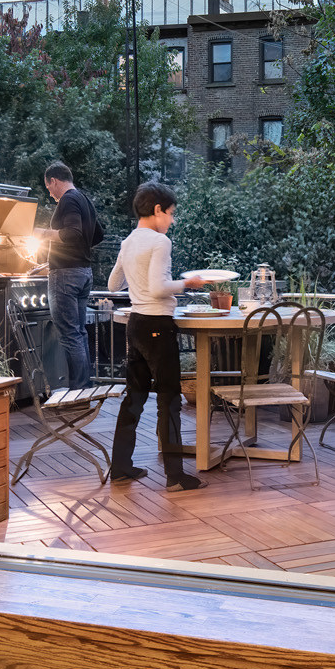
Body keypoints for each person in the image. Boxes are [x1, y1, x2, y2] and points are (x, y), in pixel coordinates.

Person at [106, 181, 209, 490]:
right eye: (171, 214)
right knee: (169, 400)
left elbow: (113, 285)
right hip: (157, 325)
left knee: (134, 398)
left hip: (135, 324)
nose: (172, 220)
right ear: (157, 210)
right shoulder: (160, 243)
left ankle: (121, 466)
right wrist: (187, 284)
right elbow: (157, 288)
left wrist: (135, 281)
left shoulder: (128, 242)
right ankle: (175, 476)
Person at [42, 161, 104, 389]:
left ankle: (78, 391)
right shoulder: (84, 199)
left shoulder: (67, 200)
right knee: (79, 333)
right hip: (83, 273)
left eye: (49, 188)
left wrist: (42, 233)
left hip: (65, 275)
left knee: (70, 335)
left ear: (54, 181)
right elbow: (97, 236)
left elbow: (72, 233)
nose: (50, 194)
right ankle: (84, 388)